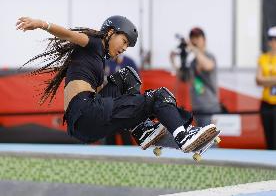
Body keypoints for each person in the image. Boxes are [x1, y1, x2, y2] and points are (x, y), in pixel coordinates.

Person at [16, 15, 218, 153]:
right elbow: (69, 34)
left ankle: (142, 129)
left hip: (83, 124)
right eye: (124, 41)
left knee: (127, 76)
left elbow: (107, 94)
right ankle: (183, 135)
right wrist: (41, 24)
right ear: (111, 32)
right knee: (159, 96)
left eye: (128, 46)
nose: (124, 48)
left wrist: (136, 108)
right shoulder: (93, 41)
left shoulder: (96, 61)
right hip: (86, 111)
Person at [187, 27, 221, 127]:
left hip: (210, 107)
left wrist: (194, 49)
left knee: (211, 140)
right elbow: (185, 78)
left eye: (198, 37)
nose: (195, 40)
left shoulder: (209, 56)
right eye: (193, 38)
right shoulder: (193, 62)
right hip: (197, 107)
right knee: (203, 140)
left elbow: (208, 66)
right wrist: (173, 61)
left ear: (204, 40)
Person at [256, 26, 276, 150]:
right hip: (267, 104)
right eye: (271, 39)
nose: (273, 42)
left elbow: (263, 80)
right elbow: (258, 80)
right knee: (269, 139)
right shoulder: (263, 58)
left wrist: (266, 80)